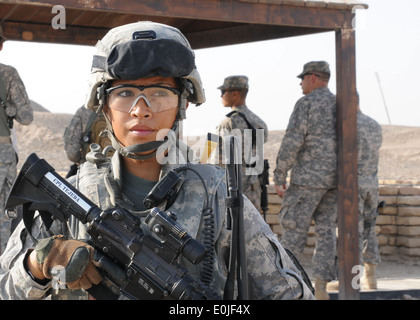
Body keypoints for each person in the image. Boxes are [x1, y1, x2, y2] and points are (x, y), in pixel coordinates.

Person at [0, 21, 314, 300]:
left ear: (183, 103)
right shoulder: (71, 196)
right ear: (103, 104)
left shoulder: (219, 199)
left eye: (160, 92)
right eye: (124, 93)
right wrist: (38, 263)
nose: (141, 109)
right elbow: (5, 287)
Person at [273, 61, 337, 300]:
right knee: (327, 232)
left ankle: (290, 287)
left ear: (312, 78)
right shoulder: (342, 104)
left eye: (302, 79)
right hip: (334, 182)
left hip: (306, 182)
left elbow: (292, 141)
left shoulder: (306, 103)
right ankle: (321, 290)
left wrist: (279, 174)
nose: (300, 84)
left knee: (292, 234)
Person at [210, 76, 268, 211]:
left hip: (233, 192)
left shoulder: (229, 122)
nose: (221, 96)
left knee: (231, 231)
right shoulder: (258, 121)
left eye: (223, 92)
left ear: (235, 94)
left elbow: (218, 160)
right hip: (254, 191)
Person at [0, 26, 33, 254]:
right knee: (4, 214)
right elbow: (26, 117)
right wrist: (9, 107)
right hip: (2, 154)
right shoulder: (7, 74)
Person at [356, 95, 382, 290]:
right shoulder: (374, 125)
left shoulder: (348, 124)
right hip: (372, 184)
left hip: (353, 185)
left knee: (350, 231)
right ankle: (371, 277)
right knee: (369, 229)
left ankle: (352, 279)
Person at [63, 105, 111, 177]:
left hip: (88, 171)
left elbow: (72, 151)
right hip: (119, 171)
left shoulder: (85, 110)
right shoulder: (126, 107)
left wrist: (79, 160)